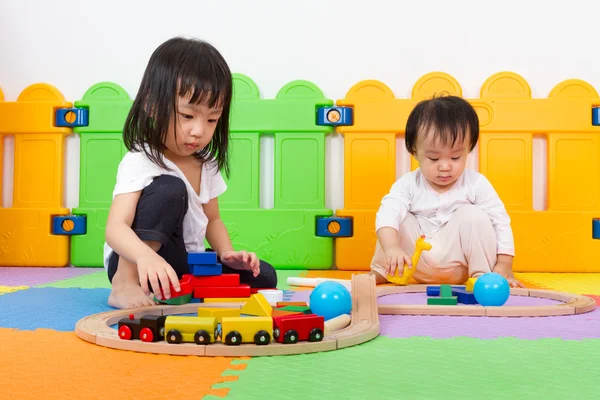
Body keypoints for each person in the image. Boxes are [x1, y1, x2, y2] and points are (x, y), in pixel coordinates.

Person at [103, 37, 277, 309]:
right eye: (187, 116)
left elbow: (213, 219)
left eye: (211, 119)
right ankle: (124, 284)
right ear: (150, 105)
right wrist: (145, 258)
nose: (199, 130)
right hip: (135, 260)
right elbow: (115, 228)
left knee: (263, 275)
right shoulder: (141, 160)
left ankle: (177, 286)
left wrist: (227, 254)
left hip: (183, 260)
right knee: (170, 189)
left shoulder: (205, 163)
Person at [370, 94, 522, 288]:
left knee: (474, 215)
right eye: (433, 159)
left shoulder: (476, 184)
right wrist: (391, 248)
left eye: (456, 157)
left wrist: (504, 263)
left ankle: (483, 275)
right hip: (414, 264)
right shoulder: (408, 184)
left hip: (460, 266)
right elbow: (387, 215)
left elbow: (500, 222)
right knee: (395, 218)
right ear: (415, 151)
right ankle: (385, 270)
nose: (445, 166)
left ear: (469, 149)